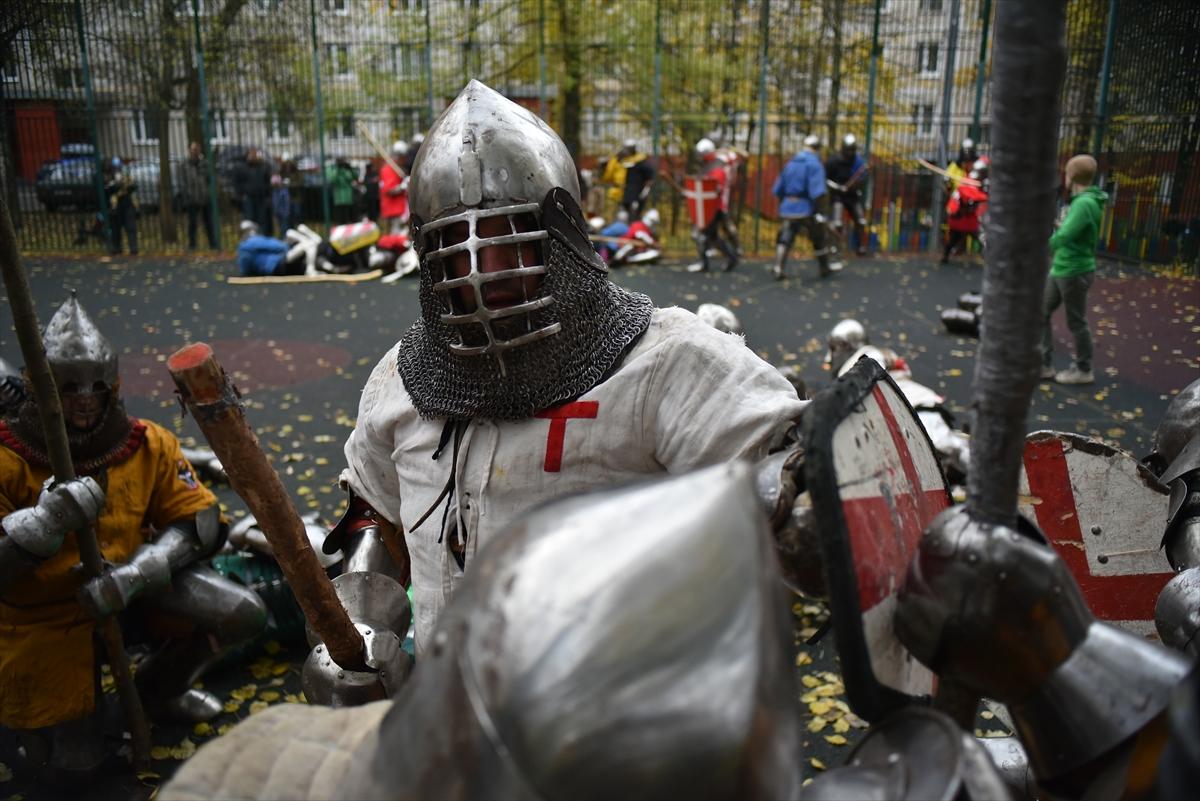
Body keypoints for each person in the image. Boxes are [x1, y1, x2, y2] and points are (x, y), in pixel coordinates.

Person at [335, 80, 805, 659]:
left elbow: (787, 480)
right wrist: (361, 627)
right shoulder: (402, 379)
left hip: (615, 703)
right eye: (456, 245)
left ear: (561, 238)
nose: (482, 269)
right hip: (446, 702)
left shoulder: (669, 362)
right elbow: (373, 516)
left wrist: (799, 510)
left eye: (507, 239)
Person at [0, 296, 267, 779]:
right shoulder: (7, 457)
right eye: (69, 387)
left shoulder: (146, 442)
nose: (85, 398)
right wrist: (43, 524)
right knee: (73, 770)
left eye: (96, 387)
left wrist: (136, 574)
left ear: (114, 386)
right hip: (41, 618)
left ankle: (156, 692)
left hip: (132, 590)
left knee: (241, 612)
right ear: (40, 388)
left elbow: (200, 518)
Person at [825, 318, 970, 482]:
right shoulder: (868, 360)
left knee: (949, 449)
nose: (829, 358)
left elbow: (875, 370)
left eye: (833, 349)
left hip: (914, 408)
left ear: (846, 346)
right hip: (906, 413)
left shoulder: (866, 358)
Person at [1042, 154, 1106, 385]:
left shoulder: (1084, 204)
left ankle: (1084, 369)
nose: (1065, 178)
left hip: (1074, 270)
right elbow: (1072, 231)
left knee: (1076, 321)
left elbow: (1065, 236)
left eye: (1067, 173)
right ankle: (1043, 364)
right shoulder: (1083, 202)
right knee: (1041, 311)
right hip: (1063, 267)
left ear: (1073, 176)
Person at [772, 135, 839, 280]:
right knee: (818, 237)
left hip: (788, 207)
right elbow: (818, 192)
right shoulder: (814, 165)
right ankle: (824, 267)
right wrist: (821, 211)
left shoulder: (790, 164)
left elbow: (778, 189)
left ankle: (778, 266)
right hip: (805, 207)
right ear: (817, 149)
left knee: (786, 236)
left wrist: (786, 203)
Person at [687, 137, 740, 273]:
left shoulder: (717, 167)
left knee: (700, 234)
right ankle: (731, 258)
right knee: (713, 236)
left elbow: (715, 188)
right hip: (712, 207)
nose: (699, 157)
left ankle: (704, 263)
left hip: (715, 207)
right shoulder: (709, 166)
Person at [825, 134, 869, 256]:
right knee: (837, 223)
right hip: (838, 196)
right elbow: (825, 179)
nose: (850, 153)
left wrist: (857, 184)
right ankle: (835, 246)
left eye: (852, 150)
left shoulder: (857, 161)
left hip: (852, 195)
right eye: (848, 150)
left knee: (861, 221)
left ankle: (860, 246)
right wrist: (838, 187)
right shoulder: (833, 161)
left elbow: (863, 178)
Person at [940, 158, 989, 264]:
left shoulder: (981, 183)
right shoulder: (967, 183)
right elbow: (962, 195)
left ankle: (987, 257)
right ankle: (946, 255)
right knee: (954, 239)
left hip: (972, 220)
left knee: (981, 238)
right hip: (961, 218)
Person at [178, 142, 216, 251]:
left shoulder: (205, 163)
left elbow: (209, 178)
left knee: (209, 222)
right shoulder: (184, 165)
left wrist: (207, 191)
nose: (195, 152)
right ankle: (192, 245)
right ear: (189, 151)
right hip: (192, 198)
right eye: (193, 149)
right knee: (192, 223)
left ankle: (213, 244)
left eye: (197, 149)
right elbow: (182, 181)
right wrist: (187, 194)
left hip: (205, 197)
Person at [233, 147, 273, 236]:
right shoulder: (242, 167)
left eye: (255, 154)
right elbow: (237, 182)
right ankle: (251, 237)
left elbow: (267, 182)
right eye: (251, 154)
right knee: (250, 219)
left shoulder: (263, 166)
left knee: (262, 219)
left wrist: (268, 196)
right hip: (248, 197)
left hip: (261, 197)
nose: (254, 156)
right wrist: (240, 195)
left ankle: (262, 237)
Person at [105, 157, 138, 256]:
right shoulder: (108, 177)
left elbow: (133, 187)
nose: (117, 169)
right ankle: (117, 247)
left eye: (118, 167)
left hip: (127, 204)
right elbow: (107, 190)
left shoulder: (126, 176)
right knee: (115, 228)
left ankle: (133, 248)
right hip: (115, 206)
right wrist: (115, 186)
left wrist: (128, 186)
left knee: (131, 227)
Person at [618, 140, 655, 219]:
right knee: (623, 216)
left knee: (634, 216)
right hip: (624, 194)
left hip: (636, 195)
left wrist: (645, 192)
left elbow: (649, 179)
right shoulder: (623, 160)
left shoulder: (641, 161)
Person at [379, 141, 409, 234]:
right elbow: (390, 190)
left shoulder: (398, 169)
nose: (405, 159)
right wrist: (403, 186)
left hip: (401, 210)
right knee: (396, 236)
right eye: (403, 157)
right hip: (393, 210)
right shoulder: (388, 170)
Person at [326, 156, 358, 225]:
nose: (341, 162)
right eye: (339, 160)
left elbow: (355, 177)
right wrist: (337, 168)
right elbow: (332, 179)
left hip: (348, 197)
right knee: (340, 218)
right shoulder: (332, 168)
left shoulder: (346, 169)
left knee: (349, 217)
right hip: (338, 198)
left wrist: (350, 169)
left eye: (342, 160)